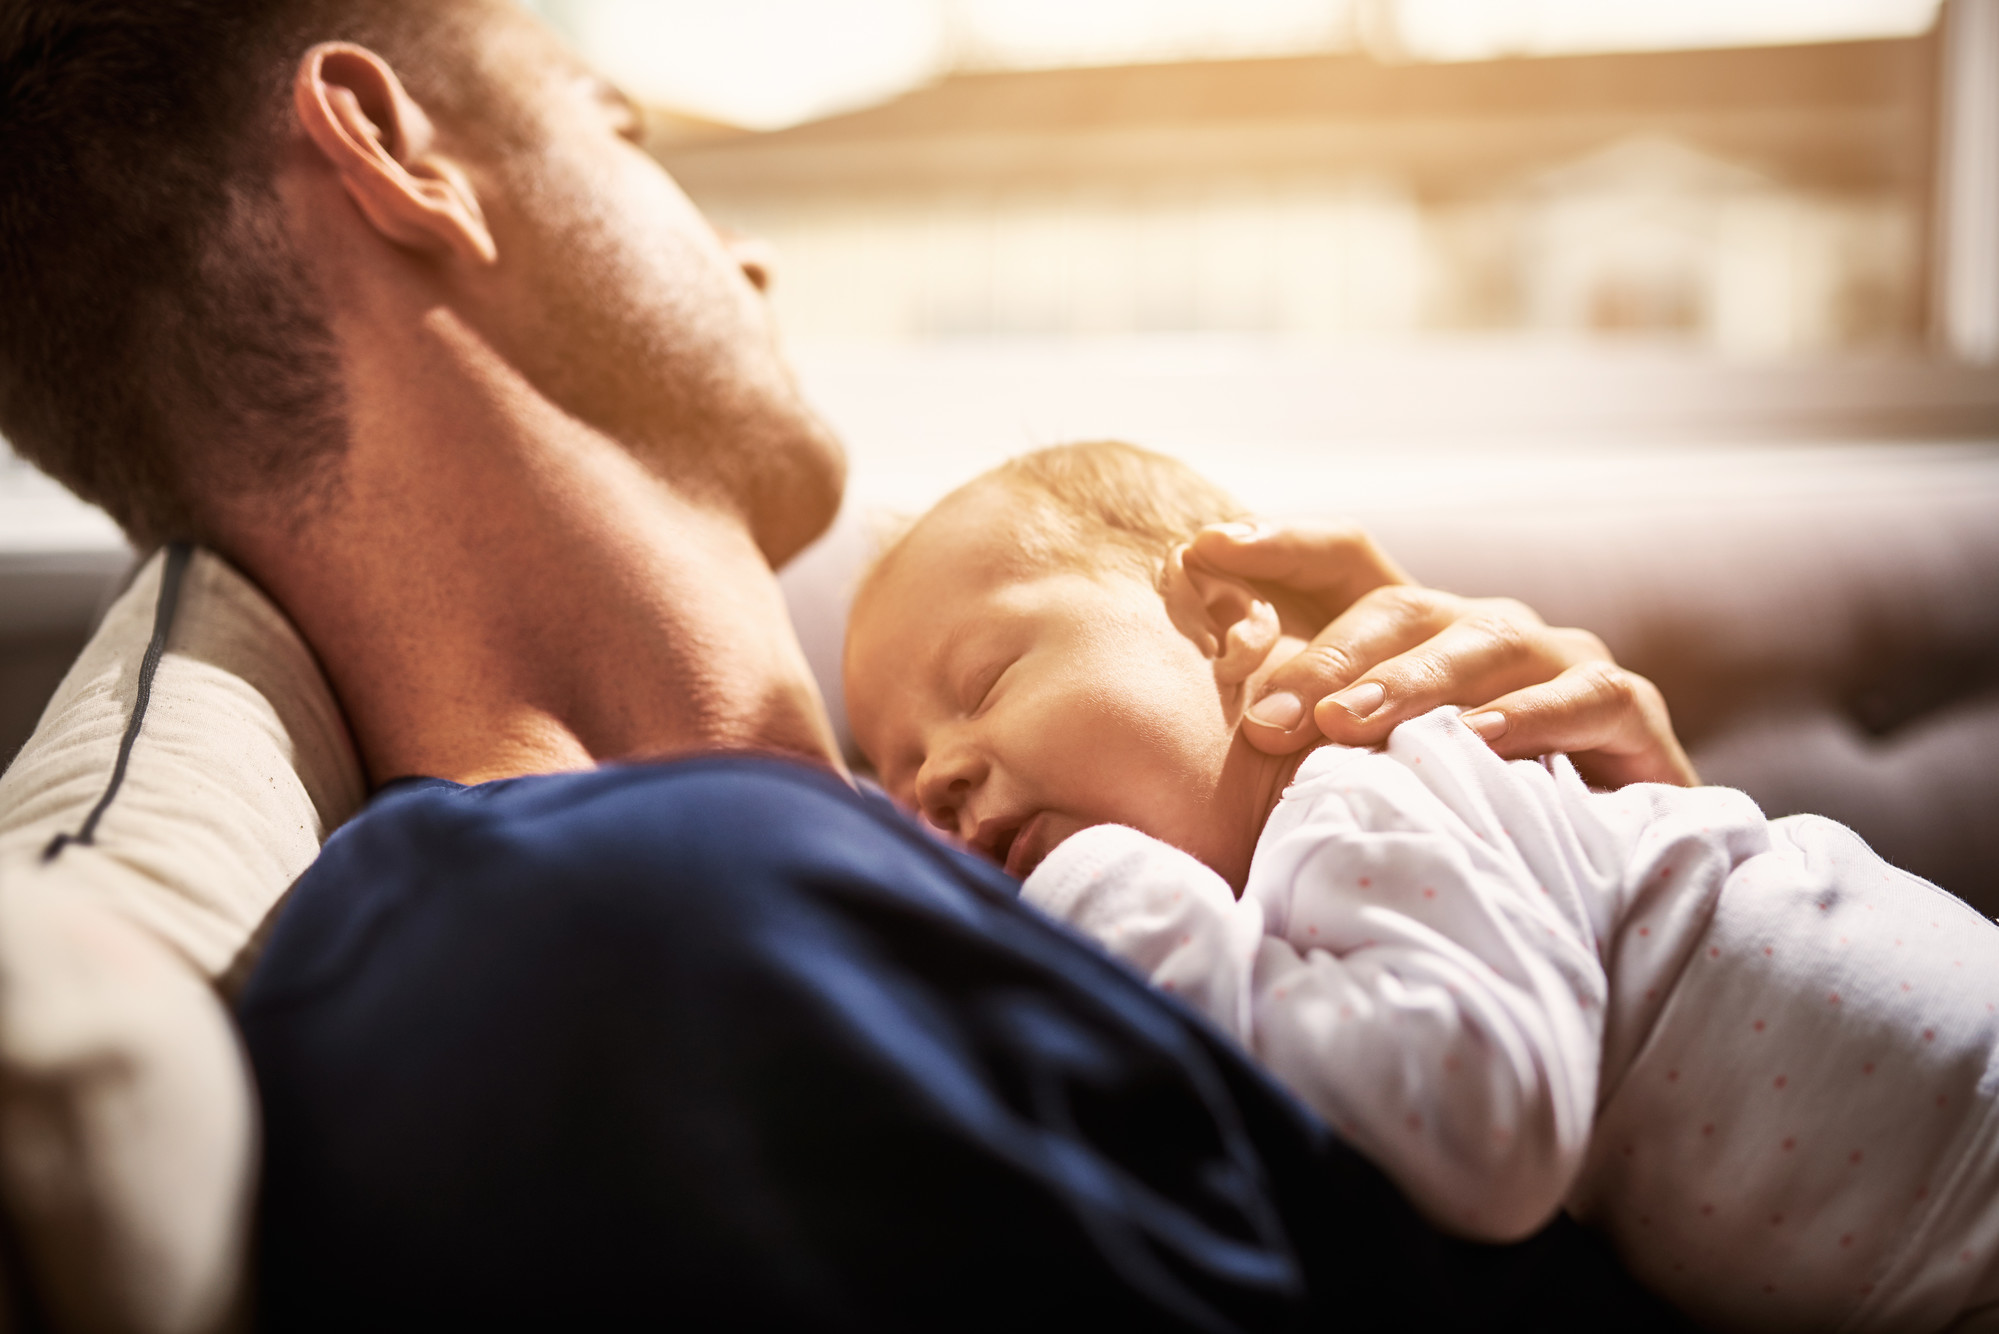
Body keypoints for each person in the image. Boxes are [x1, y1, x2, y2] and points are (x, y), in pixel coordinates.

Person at [1, 1, 1700, 1326]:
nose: (751, 258)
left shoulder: (957, 832)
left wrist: (1604, 889)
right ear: (395, 153)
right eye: (628, 134)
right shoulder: (621, 950)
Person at [841, 441, 1999, 1333]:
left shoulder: (1371, 784)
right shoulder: (1297, 894)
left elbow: (1477, 1128)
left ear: (1225, 623)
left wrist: (1100, 883)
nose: (935, 775)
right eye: (893, 772)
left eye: (985, 678)